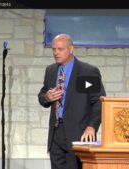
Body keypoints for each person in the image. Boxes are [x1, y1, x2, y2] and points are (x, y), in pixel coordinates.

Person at [38, 34, 106, 169]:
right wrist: (47, 97)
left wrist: (92, 126)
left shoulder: (86, 72)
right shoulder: (51, 71)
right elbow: (42, 95)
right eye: (54, 49)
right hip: (56, 134)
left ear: (70, 49)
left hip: (78, 134)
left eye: (60, 49)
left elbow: (98, 102)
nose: (56, 53)